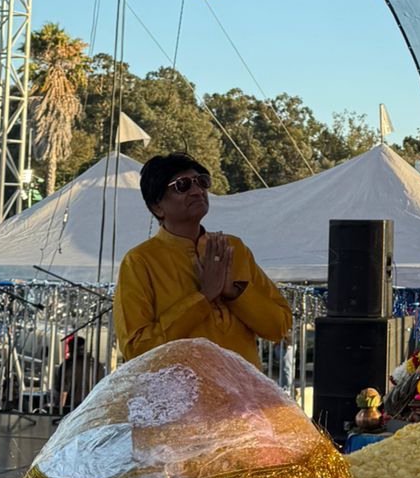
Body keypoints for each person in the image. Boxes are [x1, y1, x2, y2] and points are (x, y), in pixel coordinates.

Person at [113, 153, 293, 367]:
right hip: (183, 389)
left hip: (242, 388)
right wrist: (203, 297)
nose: (197, 191)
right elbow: (136, 350)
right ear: (157, 207)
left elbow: (279, 327)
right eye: (182, 185)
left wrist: (233, 292)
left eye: (201, 182)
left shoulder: (233, 249)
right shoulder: (140, 261)